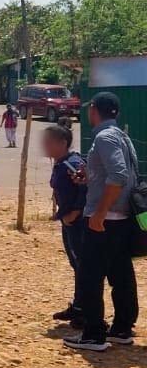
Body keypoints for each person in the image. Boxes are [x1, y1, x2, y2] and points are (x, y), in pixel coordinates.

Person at [64, 92, 140, 352]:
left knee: (89, 276)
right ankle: (122, 327)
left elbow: (118, 175)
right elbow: (122, 174)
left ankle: (94, 333)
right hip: (121, 218)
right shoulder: (122, 136)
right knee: (121, 273)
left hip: (104, 219)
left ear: (94, 109)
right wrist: (90, 177)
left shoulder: (105, 137)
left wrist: (99, 212)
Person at [42, 124, 87, 327]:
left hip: (77, 223)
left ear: (62, 143)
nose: (44, 146)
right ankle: (79, 306)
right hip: (68, 221)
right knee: (76, 265)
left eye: (49, 142)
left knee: (82, 265)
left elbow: (85, 187)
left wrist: (75, 212)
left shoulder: (72, 163)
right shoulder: (62, 163)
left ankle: (84, 312)